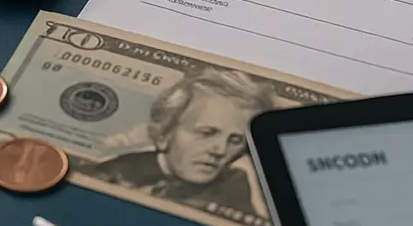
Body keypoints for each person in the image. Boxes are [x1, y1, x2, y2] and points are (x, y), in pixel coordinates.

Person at [74, 68, 273, 213]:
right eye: (206, 133)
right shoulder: (111, 175)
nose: (220, 150)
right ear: (164, 134)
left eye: (235, 140)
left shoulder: (234, 185)